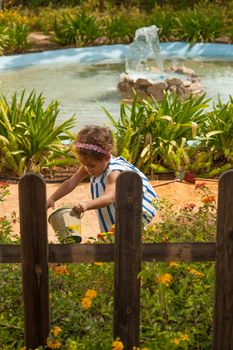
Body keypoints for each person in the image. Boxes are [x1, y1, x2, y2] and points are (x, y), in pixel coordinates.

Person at [47, 125, 158, 233]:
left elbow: (109, 197)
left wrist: (86, 205)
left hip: (133, 210)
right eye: (84, 164)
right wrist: (52, 198)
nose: (87, 169)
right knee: (112, 235)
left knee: (127, 236)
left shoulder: (113, 172)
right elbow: (71, 182)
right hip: (113, 211)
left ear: (106, 157)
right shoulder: (90, 164)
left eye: (91, 166)